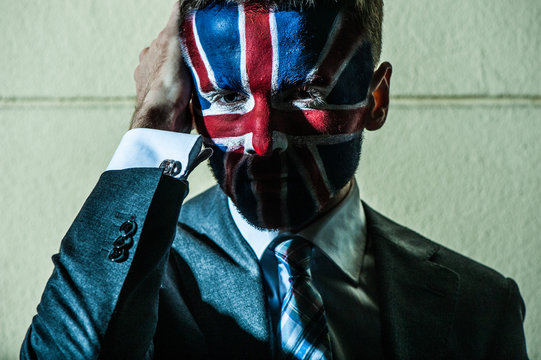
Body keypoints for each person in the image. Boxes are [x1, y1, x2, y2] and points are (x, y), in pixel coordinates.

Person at [21, 0, 528, 359]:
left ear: (376, 99)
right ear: (191, 105)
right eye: (224, 97)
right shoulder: (136, 275)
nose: (260, 141)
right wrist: (152, 123)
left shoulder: (481, 307)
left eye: (306, 93)